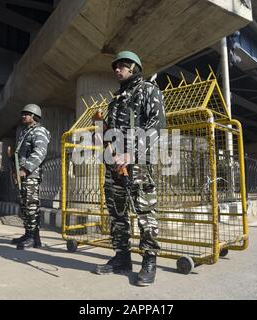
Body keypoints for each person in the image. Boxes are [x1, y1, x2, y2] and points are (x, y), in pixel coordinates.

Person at [93, 51, 166, 286]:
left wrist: (132, 153)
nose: (117, 69)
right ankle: (122, 257)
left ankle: (149, 260)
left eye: (122, 66)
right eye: (115, 66)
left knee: (144, 213)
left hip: (138, 165)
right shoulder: (115, 100)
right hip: (114, 165)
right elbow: (107, 137)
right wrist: (100, 131)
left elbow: (157, 125)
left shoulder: (147, 90)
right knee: (117, 213)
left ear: (134, 67)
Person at [10, 104, 50, 250]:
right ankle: (29, 235)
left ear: (34, 116)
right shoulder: (25, 132)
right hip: (22, 174)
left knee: (31, 205)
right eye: (23, 113)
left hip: (31, 174)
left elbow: (40, 152)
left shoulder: (39, 131)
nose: (23, 116)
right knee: (25, 206)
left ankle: (33, 237)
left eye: (26, 114)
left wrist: (25, 169)